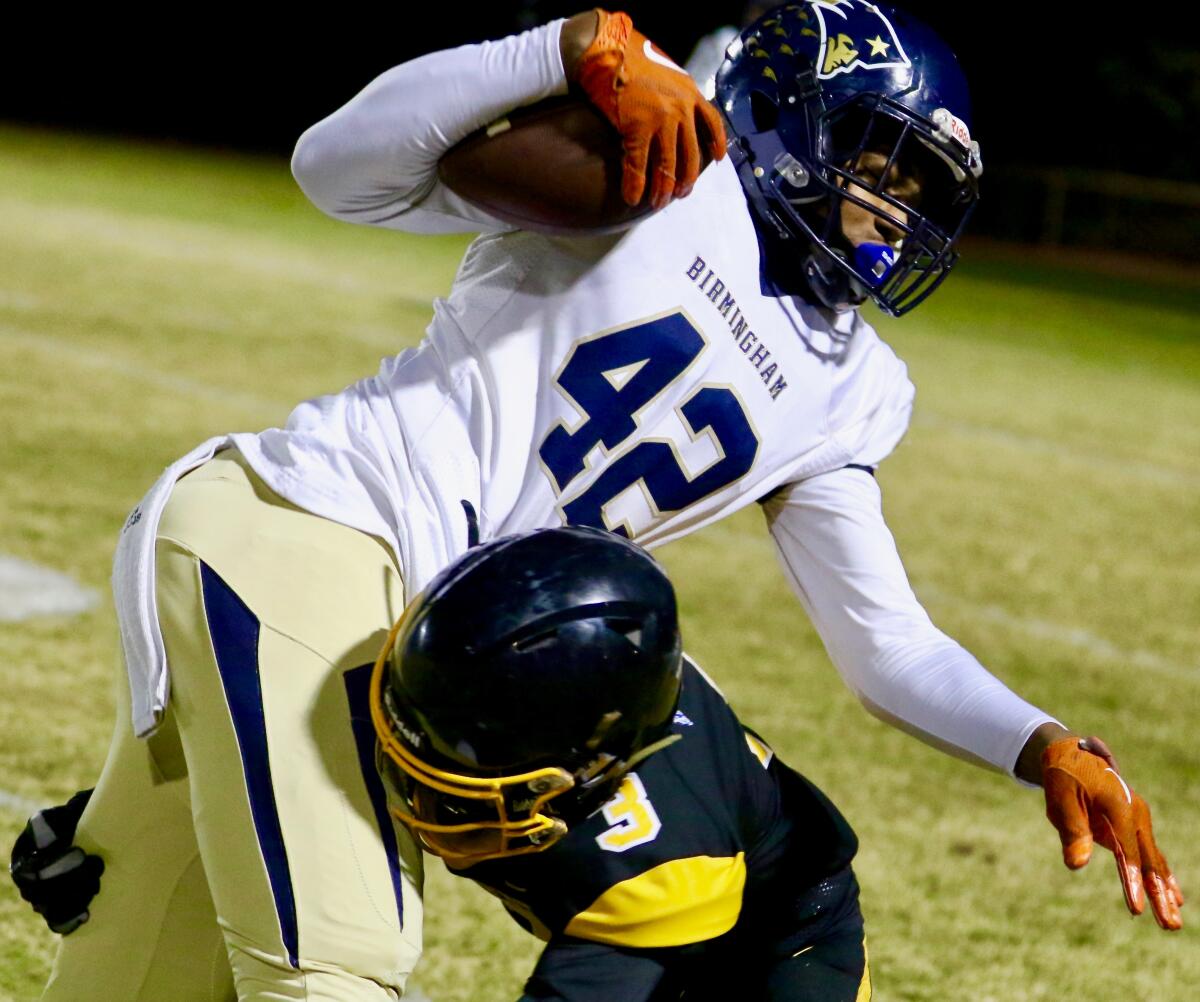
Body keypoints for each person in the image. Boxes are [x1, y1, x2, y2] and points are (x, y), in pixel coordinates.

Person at [14, 3, 1183, 999]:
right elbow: (333, 162)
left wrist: (1042, 746)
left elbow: (885, 646)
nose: (897, 214)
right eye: (881, 168)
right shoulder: (675, 163)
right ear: (795, 115)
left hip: (427, 643)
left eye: (923, 189)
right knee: (342, 968)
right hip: (307, 527)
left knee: (137, 963)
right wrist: (552, 52)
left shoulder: (856, 386)